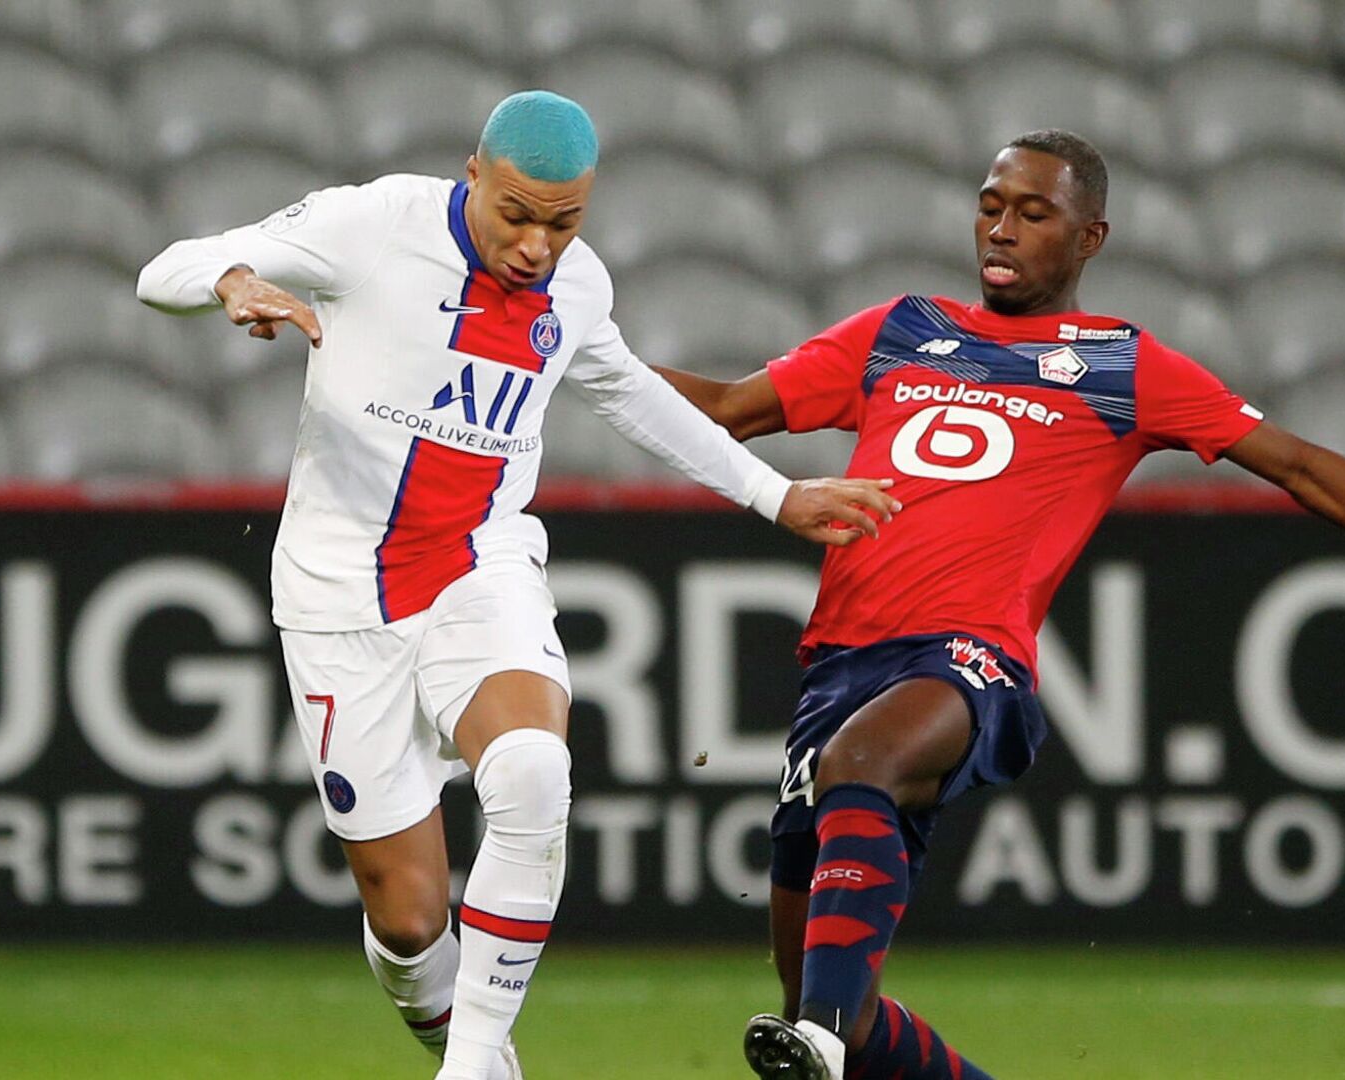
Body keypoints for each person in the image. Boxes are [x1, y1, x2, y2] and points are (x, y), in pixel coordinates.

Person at [655, 129, 1345, 1080]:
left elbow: (1301, 466)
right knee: (817, 984)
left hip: (968, 664)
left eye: (1032, 213)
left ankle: (826, 1042)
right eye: (990, 206)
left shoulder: (1123, 366)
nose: (1001, 230)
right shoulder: (897, 330)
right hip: (838, 668)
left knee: (860, 790)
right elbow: (724, 409)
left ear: (1089, 238)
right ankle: (834, 1034)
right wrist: (579, 361)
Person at [135, 91, 898, 1080]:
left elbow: (627, 389)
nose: (539, 245)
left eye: (564, 221)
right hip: (335, 597)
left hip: (477, 564)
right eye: (519, 215)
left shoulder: (576, 288)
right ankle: (456, 1033)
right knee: (409, 923)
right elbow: (164, 268)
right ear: (474, 176)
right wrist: (235, 283)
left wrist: (774, 494)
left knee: (534, 767)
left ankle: (480, 1064)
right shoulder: (371, 227)